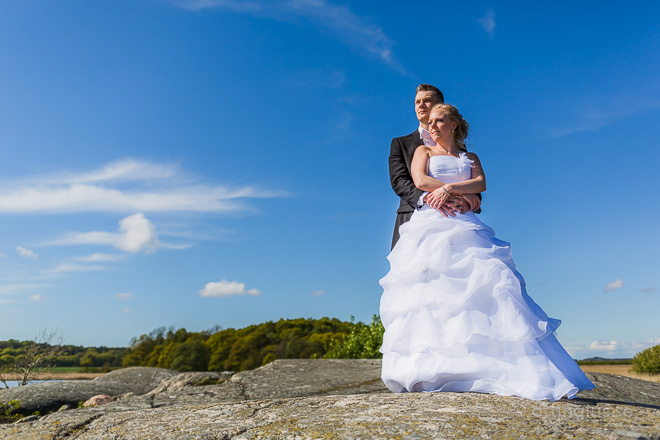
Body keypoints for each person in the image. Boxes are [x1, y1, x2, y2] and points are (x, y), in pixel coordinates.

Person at [379, 103, 594, 401]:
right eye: (430, 122)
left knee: (487, 284)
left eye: (439, 121)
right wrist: (453, 192)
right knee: (432, 293)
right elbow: (420, 181)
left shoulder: (470, 157)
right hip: (433, 222)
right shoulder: (423, 152)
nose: (433, 126)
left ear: (453, 125)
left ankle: (491, 366)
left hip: (465, 223)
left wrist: (455, 192)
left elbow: (481, 183)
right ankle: (434, 368)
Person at [388, 84, 480, 249]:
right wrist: (432, 198)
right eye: (417, 102)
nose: (421, 105)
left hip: (457, 216)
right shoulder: (401, 143)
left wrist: (472, 198)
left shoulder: (460, 150)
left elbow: (467, 177)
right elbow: (399, 181)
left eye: (427, 101)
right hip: (413, 216)